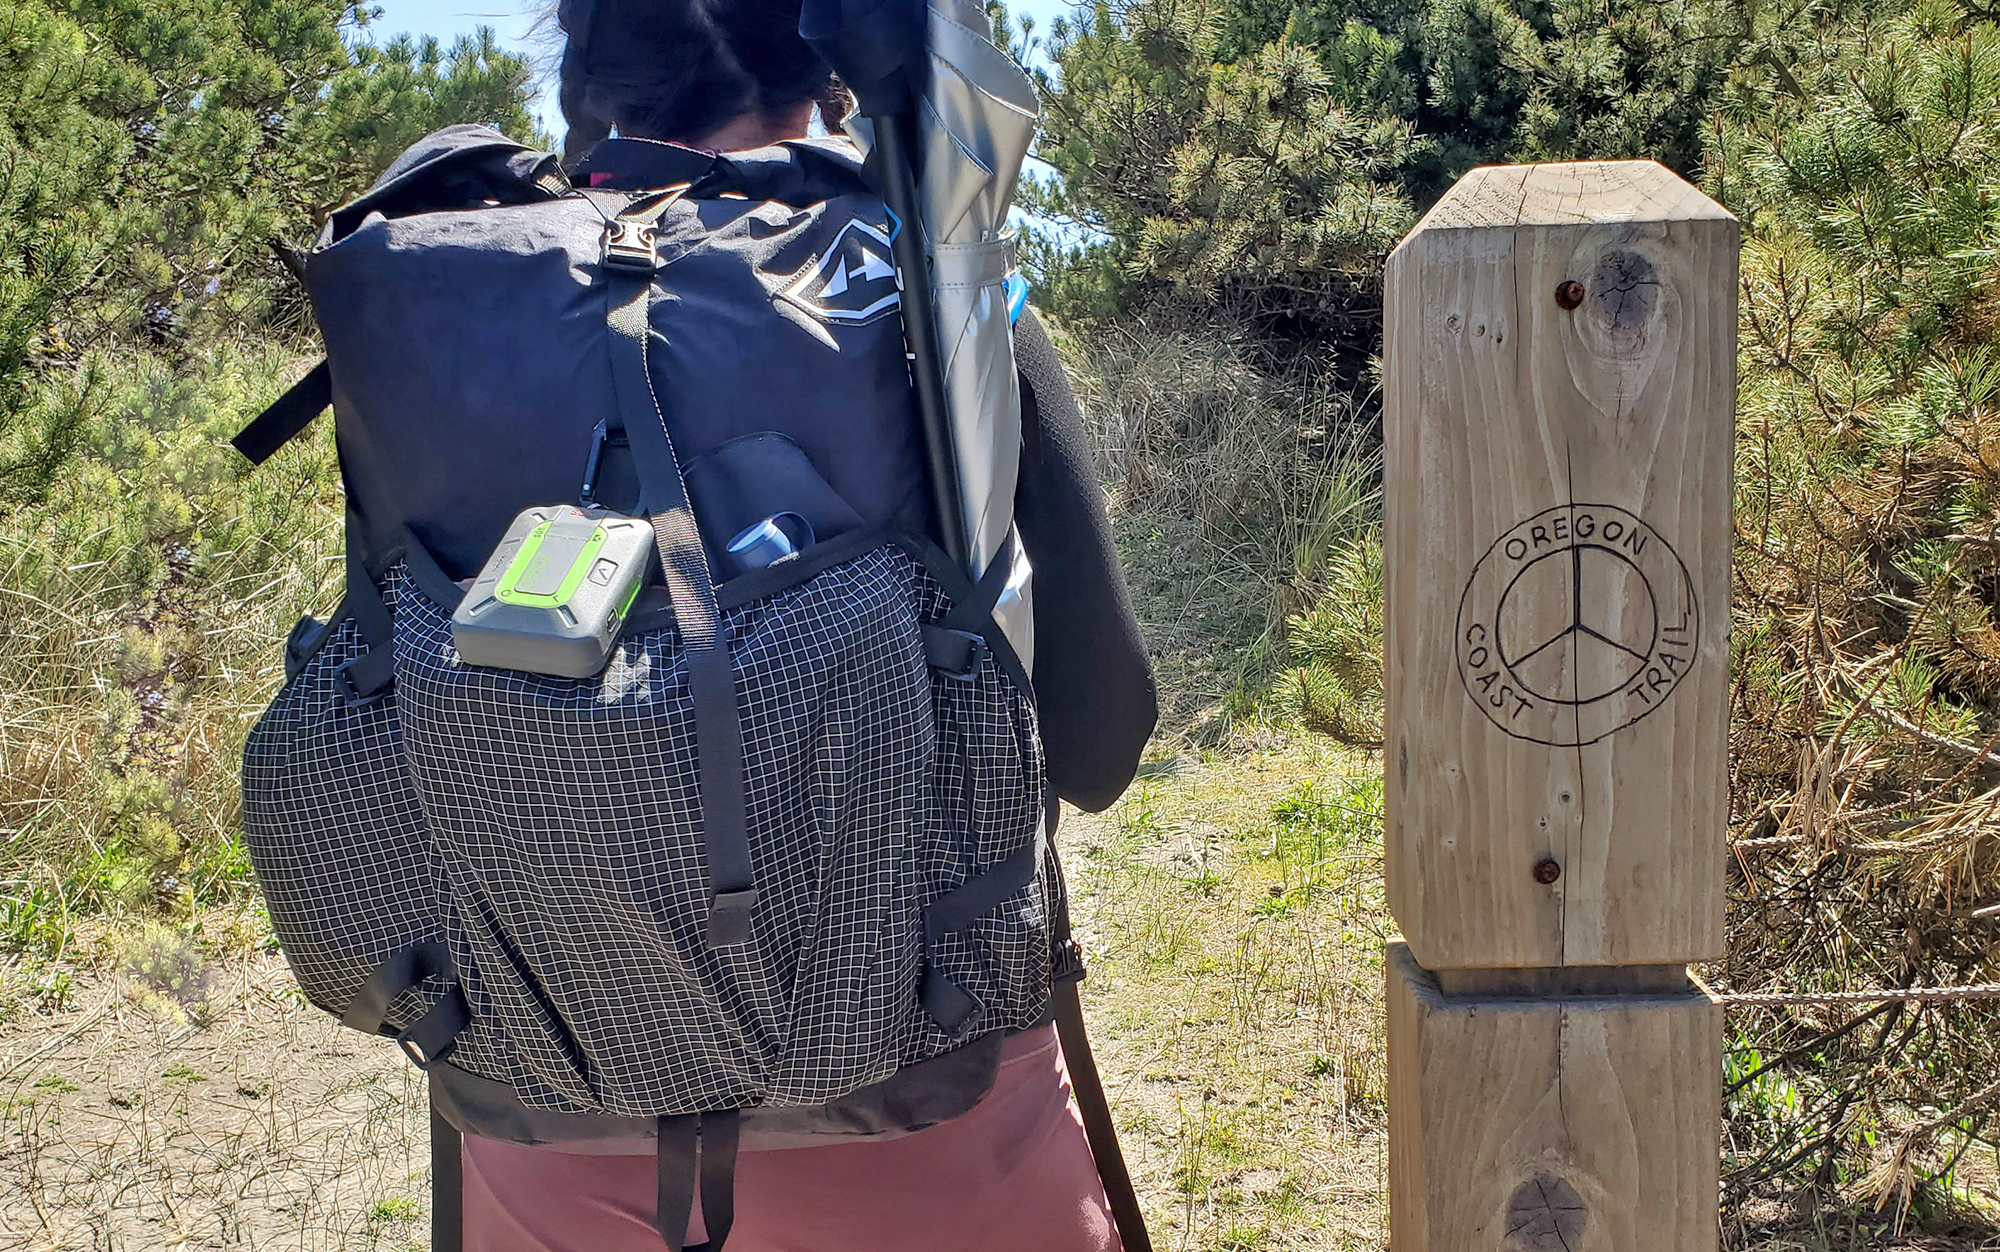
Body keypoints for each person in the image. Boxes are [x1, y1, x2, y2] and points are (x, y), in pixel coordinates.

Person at [454, 1, 1158, 1248]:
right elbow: (1101, 744)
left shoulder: (460, 304)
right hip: (934, 1113)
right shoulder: (934, 291)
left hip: (545, 1129)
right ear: (824, 51)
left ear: (593, 65)